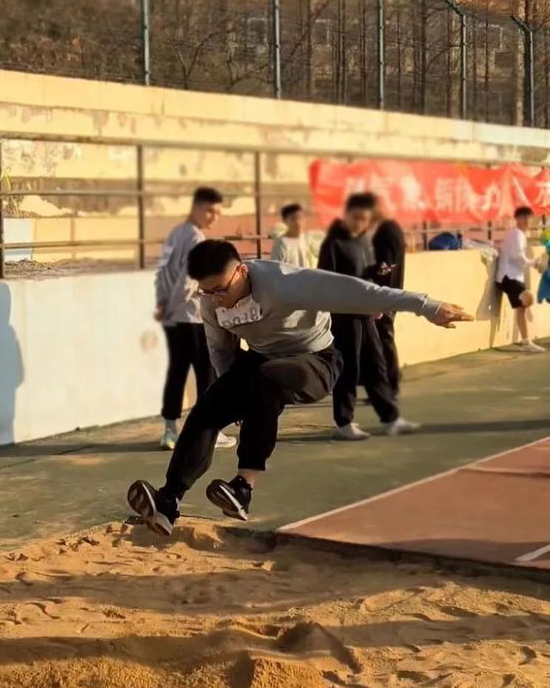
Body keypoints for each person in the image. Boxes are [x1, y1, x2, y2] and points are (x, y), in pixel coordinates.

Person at [128, 239, 471, 536]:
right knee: (207, 408)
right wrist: (236, 400)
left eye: (222, 290)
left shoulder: (284, 283)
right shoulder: (210, 301)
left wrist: (427, 306)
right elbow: (221, 351)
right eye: (208, 292)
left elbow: (356, 291)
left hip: (315, 361)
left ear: (242, 271)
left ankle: (243, 488)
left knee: (268, 378)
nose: (217, 299)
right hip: (259, 361)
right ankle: (168, 501)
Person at [318, 193, 416, 441]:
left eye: (364, 219)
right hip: (345, 316)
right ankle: (344, 422)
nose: (359, 223)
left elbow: (367, 276)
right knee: (348, 369)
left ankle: (390, 417)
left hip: (367, 314)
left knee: (376, 366)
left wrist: (378, 285)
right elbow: (325, 281)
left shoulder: (364, 241)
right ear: (346, 215)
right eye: (356, 218)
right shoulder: (333, 244)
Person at [154, 186, 236, 451]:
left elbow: (163, 271)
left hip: (175, 320)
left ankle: (170, 430)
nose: (214, 217)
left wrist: (163, 304)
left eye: (218, 213)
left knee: (177, 372)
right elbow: (188, 280)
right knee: (207, 375)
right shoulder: (197, 238)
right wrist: (170, 306)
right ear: (197, 207)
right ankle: (209, 432)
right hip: (193, 317)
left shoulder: (176, 233)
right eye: (210, 211)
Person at [370, 195, 407, 396]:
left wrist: (380, 298)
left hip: (385, 295)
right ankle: (388, 382)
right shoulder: (391, 230)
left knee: (383, 340)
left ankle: (391, 384)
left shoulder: (388, 231)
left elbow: (386, 268)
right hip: (389, 293)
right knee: (381, 340)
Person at [496, 206, 545, 354]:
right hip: (508, 277)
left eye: (529, 218)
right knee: (528, 298)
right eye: (524, 217)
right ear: (517, 219)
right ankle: (526, 342)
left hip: (515, 276)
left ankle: (526, 342)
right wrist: (534, 263)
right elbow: (517, 257)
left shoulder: (520, 234)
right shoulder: (516, 234)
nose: (527, 221)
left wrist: (534, 263)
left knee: (522, 308)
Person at [271, 202, 313, 268]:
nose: (298, 222)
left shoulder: (306, 239)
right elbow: (274, 269)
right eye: (293, 219)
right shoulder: (281, 243)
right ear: (285, 221)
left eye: (300, 218)